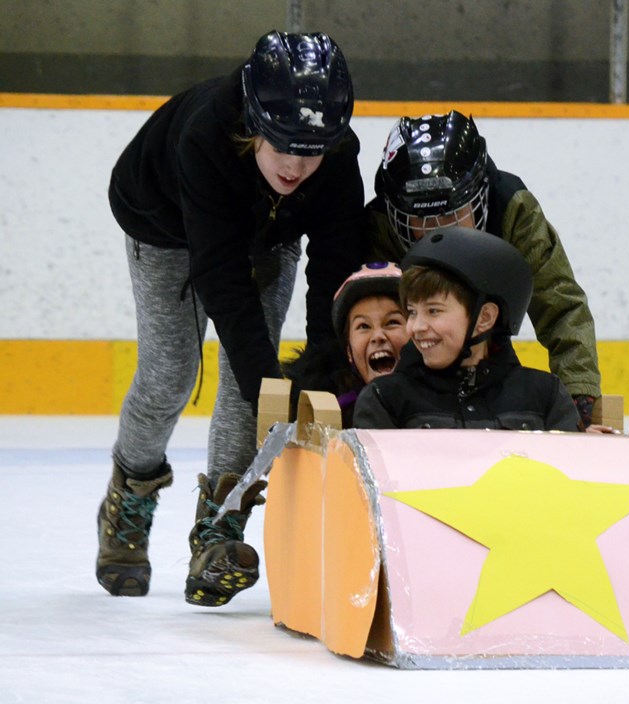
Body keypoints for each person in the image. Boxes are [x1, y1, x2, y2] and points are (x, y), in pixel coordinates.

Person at [96, 30, 367, 607]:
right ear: (252, 125)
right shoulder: (206, 136)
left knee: (257, 387)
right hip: (164, 221)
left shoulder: (337, 158)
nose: (297, 165)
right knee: (172, 371)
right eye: (283, 145)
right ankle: (130, 495)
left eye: (312, 150)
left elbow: (337, 272)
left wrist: (325, 368)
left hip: (271, 230)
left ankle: (220, 529)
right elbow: (220, 275)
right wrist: (264, 380)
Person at [365, 110, 601, 426]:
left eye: (451, 216)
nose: (439, 232)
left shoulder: (512, 208)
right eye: (420, 221)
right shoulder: (379, 224)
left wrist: (579, 403)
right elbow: (362, 323)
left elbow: (560, 305)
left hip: (487, 345)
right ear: (395, 214)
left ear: (481, 197)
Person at [353, 227, 581, 431]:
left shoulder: (544, 395)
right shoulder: (385, 398)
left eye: (433, 311)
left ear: (485, 317)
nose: (416, 327)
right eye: (412, 312)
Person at [283, 262, 408, 427]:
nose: (378, 336)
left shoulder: (446, 400)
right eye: (363, 326)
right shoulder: (330, 421)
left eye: (392, 322)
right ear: (349, 352)